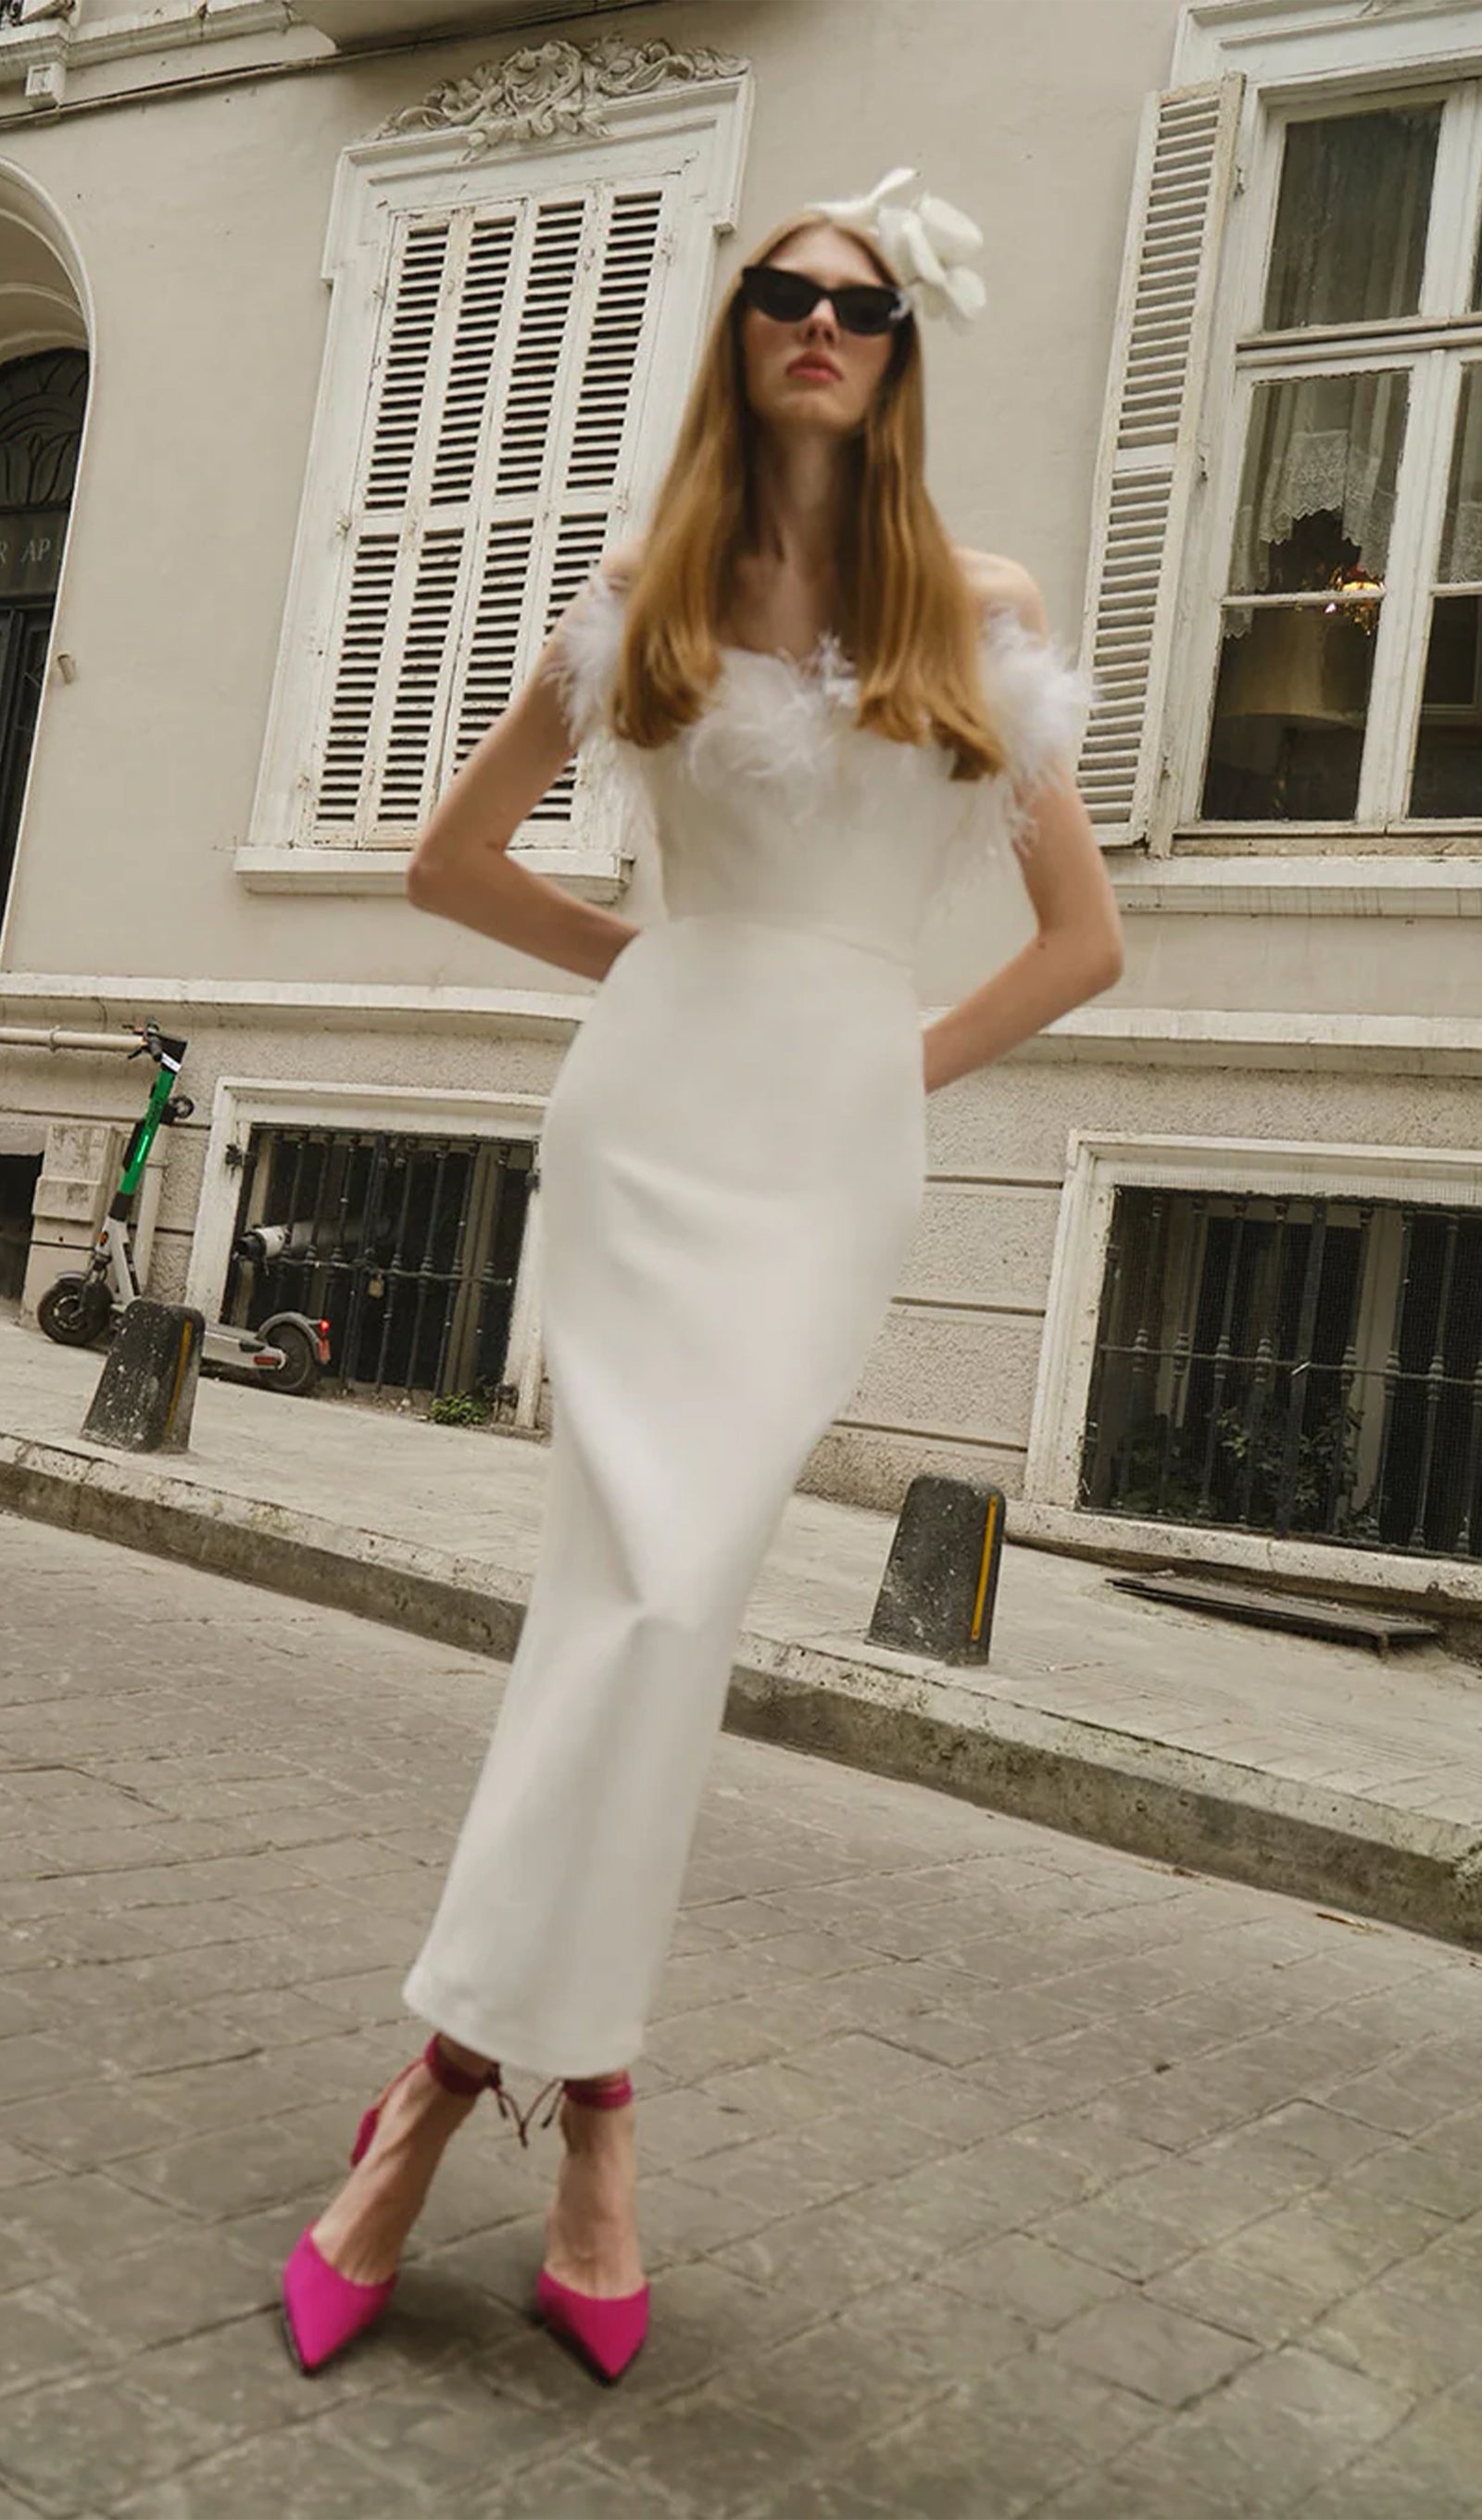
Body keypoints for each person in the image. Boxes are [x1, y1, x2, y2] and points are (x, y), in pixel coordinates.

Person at [279, 167, 1124, 2388]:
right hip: (646, 1129)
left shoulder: (981, 603)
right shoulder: (642, 587)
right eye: (783, 291)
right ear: (738, 331)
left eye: (862, 301)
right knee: (628, 1609)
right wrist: (653, 970)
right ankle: (570, 2128)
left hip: (820, 1167)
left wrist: (873, 1064)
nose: (822, 321)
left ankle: (445, 2089)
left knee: (659, 1608)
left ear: (900, 350)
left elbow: (1080, 943)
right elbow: (448, 863)